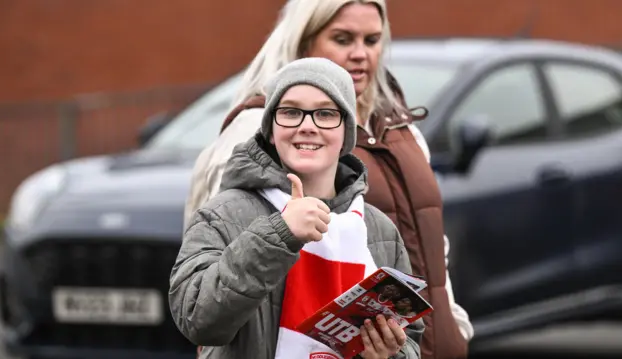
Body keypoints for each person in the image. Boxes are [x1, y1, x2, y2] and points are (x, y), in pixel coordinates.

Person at [183, 0, 474, 358]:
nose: (360, 54)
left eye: (371, 40)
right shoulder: (244, 155)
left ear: (347, 133)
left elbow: (429, 250)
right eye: (342, 38)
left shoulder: (399, 130)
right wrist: (278, 232)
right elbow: (204, 317)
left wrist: (448, 324)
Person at [169, 57, 423, 359]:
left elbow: (410, 340)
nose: (307, 126)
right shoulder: (224, 214)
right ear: (271, 130)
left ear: (346, 133)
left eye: (326, 114)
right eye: (290, 112)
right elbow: (196, 318)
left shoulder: (379, 230)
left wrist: (390, 354)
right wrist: (279, 234)